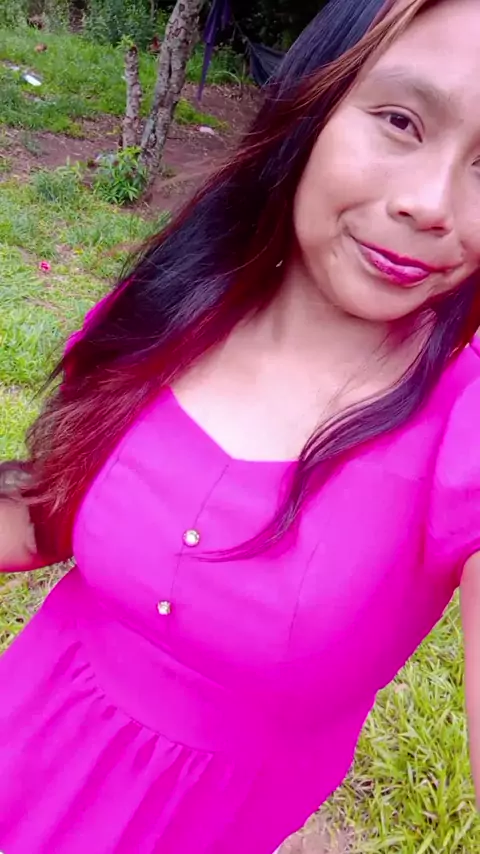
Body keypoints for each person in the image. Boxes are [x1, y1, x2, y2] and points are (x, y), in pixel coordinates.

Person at [1, 0, 480, 851]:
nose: (430, 204)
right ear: (313, 103)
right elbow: (46, 516)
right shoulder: (175, 305)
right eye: (401, 122)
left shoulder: (463, 421)